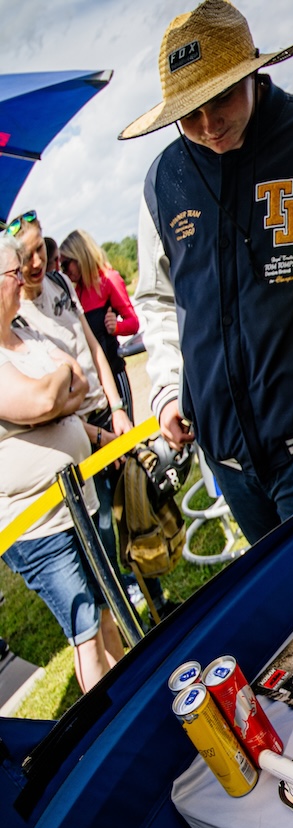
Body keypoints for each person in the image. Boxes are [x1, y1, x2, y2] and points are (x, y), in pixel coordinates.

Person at [123, 0, 293, 546]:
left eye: (222, 98)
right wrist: (166, 389)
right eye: (190, 113)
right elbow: (157, 297)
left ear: (253, 72)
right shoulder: (162, 179)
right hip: (226, 455)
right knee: (281, 591)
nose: (209, 125)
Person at [0, 233, 125, 692]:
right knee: (86, 633)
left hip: (78, 502)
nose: (22, 279)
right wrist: (54, 394)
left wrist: (54, 400)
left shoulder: (25, 332)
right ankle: (109, 723)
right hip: (37, 527)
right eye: (13, 273)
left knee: (108, 607)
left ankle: (130, 694)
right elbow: (41, 399)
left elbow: (75, 380)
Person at [11, 214, 155, 609]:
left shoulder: (60, 283)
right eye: (26, 256)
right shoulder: (17, 317)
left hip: (106, 412)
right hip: (79, 432)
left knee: (137, 506)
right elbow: (50, 401)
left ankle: (155, 596)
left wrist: (118, 407)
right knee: (103, 523)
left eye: (40, 250)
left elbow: (92, 346)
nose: (37, 262)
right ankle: (121, 605)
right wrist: (98, 435)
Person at [59, 230, 141, 431]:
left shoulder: (109, 280)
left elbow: (133, 322)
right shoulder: (75, 293)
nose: (64, 271)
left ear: (80, 257)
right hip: (96, 386)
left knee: (127, 435)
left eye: (66, 264)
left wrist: (117, 327)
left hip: (115, 371)